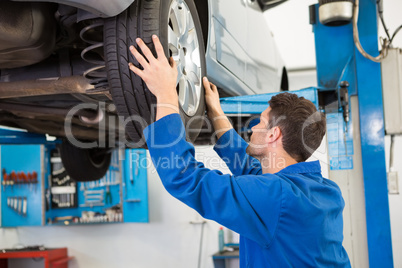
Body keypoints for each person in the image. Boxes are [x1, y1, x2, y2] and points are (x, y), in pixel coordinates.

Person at [128, 35, 351, 267]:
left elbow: (185, 177)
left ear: (274, 135)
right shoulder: (325, 191)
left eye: (261, 122)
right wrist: (215, 112)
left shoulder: (277, 197)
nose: (253, 126)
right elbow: (251, 169)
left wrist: (165, 94)